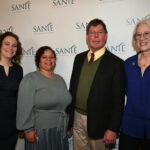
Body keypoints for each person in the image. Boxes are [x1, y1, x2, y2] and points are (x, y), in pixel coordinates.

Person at [67, 18, 125, 150]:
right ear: (87, 37)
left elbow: (118, 100)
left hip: (101, 123)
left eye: (100, 32)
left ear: (106, 35)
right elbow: (73, 89)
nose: (96, 36)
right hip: (77, 118)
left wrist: (113, 128)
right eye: (92, 32)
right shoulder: (79, 58)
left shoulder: (116, 64)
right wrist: (69, 121)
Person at [16, 46, 71, 150]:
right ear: (38, 61)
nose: (48, 60)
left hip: (60, 131)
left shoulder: (60, 79)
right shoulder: (30, 79)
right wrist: (28, 129)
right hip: (40, 132)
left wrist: (68, 125)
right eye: (44, 57)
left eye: (52, 57)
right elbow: (24, 106)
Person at [119, 19, 150, 150]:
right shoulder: (127, 64)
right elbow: (121, 93)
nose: (142, 38)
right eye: (138, 34)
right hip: (129, 129)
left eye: (147, 33)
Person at [0, 32, 23, 150]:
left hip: (12, 125)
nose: (10, 48)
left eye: (14, 45)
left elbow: (19, 97)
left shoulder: (18, 69)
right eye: (7, 44)